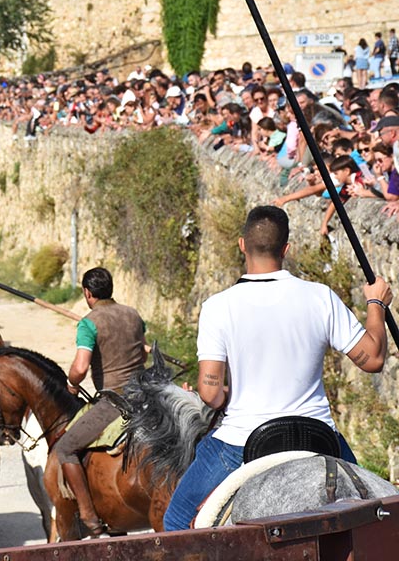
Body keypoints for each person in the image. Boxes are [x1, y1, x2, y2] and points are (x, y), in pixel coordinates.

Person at [163, 205, 390, 531]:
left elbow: (210, 394)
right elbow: (373, 358)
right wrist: (376, 303)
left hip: (243, 441)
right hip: (318, 436)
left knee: (176, 520)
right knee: (376, 518)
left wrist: (227, 392)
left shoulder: (218, 307)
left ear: (242, 245)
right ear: (286, 248)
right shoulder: (320, 297)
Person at [55, 267, 146, 538]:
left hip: (116, 401)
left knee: (65, 448)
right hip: (147, 395)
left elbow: (80, 367)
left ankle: (88, 516)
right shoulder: (133, 314)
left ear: (87, 293)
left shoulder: (89, 323)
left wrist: (72, 383)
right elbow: (141, 352)